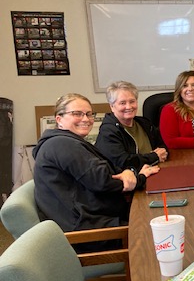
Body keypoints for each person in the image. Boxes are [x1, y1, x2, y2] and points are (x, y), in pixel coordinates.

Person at [33, 93, 159, 250]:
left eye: (88, 114)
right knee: (161, 231)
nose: (85, 119)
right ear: (59, 119)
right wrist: (138, 178)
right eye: (77, 114)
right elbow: (103, 181)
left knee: (157, 216)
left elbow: (107, 171)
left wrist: (130, 172)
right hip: (87, 233)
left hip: (94, 218)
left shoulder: (67, 141)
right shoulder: (62, 145)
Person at [95, 81, 168, 171]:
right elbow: (122, 162)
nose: (129, 107)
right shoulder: (108, 131)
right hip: (130, 181)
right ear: (112, 106)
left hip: (156, 171)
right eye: (122, 103)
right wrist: (154, 157)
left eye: (132, 101)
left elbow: (162, 146)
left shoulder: (145, 123)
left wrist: (162, 153)